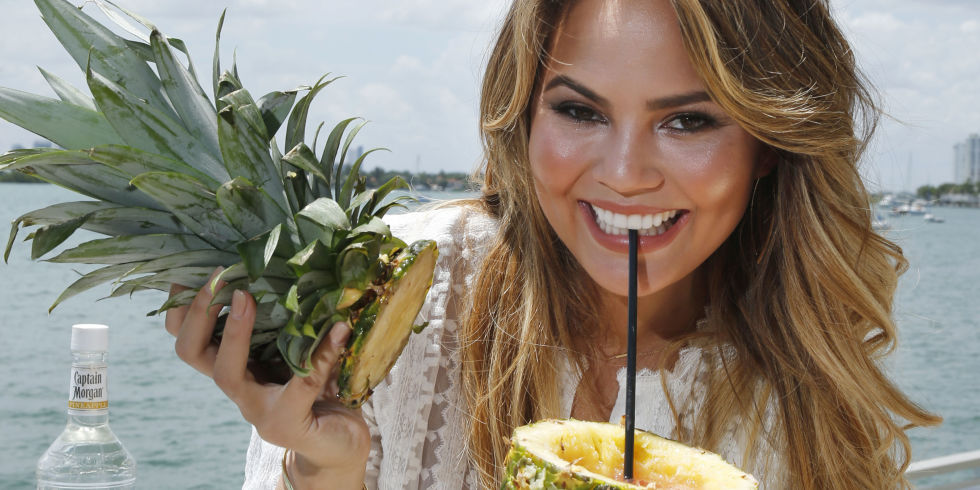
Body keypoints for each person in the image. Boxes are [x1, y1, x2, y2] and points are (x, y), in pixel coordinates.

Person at [165, 0, 940, 488]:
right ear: (525, 117)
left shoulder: (801, 397)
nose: (625, 174)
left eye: (689, 121)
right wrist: (325, 467)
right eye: (580, 111)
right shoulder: (399, 298)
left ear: (768, 145)